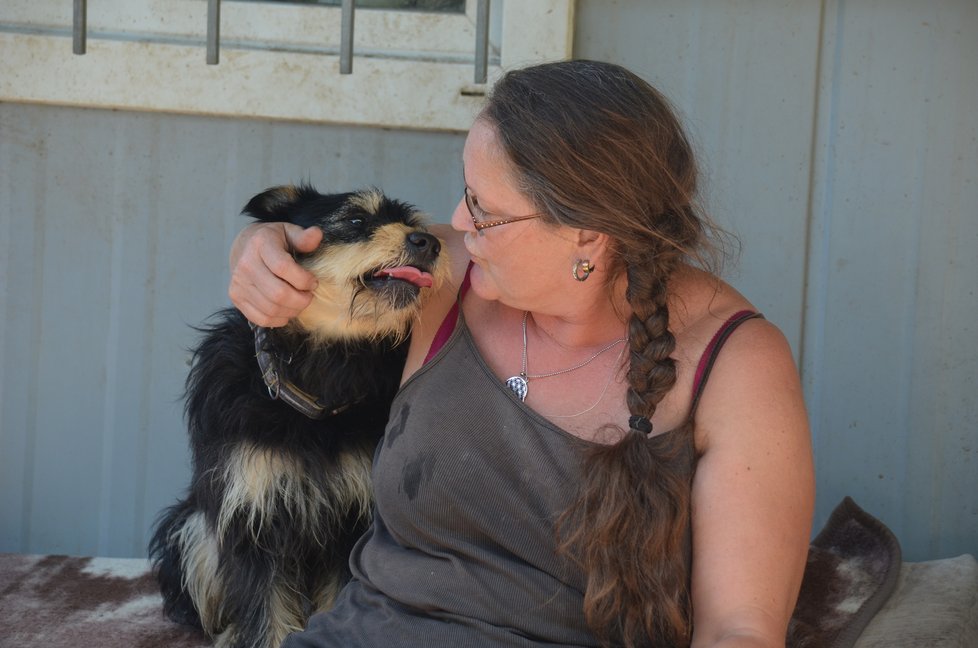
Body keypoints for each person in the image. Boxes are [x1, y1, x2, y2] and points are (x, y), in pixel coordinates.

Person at [228, 60, 814, 648]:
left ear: (588, 232)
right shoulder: (447, 277)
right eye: (465, 192)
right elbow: (309, 258)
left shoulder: (736, 364)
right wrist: (257, 248)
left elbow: (740, 630)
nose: (456, 223)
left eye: (485, 209)